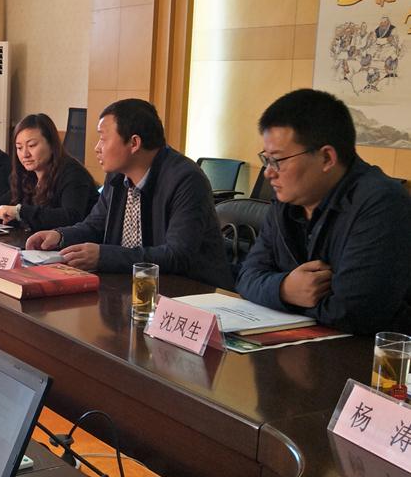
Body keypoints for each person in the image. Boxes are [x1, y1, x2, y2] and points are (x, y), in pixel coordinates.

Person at [237, 89, 411, 334]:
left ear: (327, 158)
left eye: (278, 160)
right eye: (266, 159)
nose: (268, 173)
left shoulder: (382, 203)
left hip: (362, 354)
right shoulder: (285, 201)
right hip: (299, 344)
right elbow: (246, 277)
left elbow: (353, 312)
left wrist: (276, 294)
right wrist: (284, 289)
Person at [26, 99, 233, 289]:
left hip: (190, 293)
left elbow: (177, 255)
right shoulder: (117, 174)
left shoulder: (186, 180)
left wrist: (104, 256)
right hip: (131, 286)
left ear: (134, 143)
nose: (97, 148)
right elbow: (95, 225)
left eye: (103, 139)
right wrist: (60, 236)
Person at [0, 113, 98, 231]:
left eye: (32, 145)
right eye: (19, 148)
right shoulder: (27, 175)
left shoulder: (72, 173)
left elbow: (71, 217)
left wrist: (20, 212)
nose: (25, 154)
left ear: (51, 144)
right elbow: (1, 205)